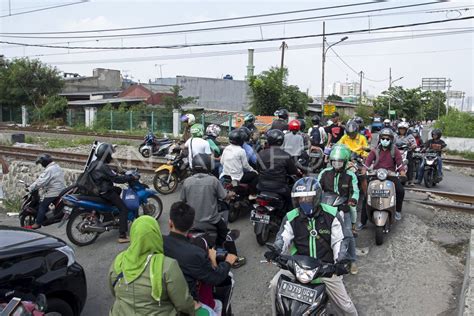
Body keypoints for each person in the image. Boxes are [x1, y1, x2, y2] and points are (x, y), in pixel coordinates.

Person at [267, 177, 358, 316]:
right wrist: (276, 250)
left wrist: (339, 262)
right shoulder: (291, 216)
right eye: (300, 198)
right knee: (274, 285)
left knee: (346, 306)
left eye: (307, 198)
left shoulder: (332, 214)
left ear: (316, 197)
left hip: (325, 267)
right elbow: (283, 237)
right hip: (297, 266)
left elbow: (339, 240)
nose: (304, 201)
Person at [109, 215, 195, 316]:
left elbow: (114, 292)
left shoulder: (118, 262)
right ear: (157, 235)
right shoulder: (167, 266)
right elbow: (183, 304)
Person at [164, 202, 238, 315]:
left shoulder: (161, 242)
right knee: (218, 305)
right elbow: (215, 277)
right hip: (188, 303)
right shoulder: (195, 253)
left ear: (170, 223)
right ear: (192, 224)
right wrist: (228, 262)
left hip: (166, 299)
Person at [318, 144, 359, 275]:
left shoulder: (350, 175)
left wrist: (353, 199)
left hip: (343, 207)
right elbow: (317, 188)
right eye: (334, 161)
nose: (336, 164)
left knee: (347, 234)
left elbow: (355, 191)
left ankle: (352, 260)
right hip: (326, 207)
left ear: (345, 161)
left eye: (340, 161)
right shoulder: (324, 173)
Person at [88, 143, 136, 243]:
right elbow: (116, 179)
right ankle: (122, 235)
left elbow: (107, 173)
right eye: (110, 154)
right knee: (124, 209)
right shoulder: (104, 167)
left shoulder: (94, 163)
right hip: (105, 192)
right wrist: (130, 177)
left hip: (96, 190)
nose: (111, 156)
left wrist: (114, 170)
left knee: (118, 190)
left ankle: (111, 214)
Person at [360, 128, 406, 226]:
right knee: (367, 195)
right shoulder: (375, 150)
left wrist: (402, 172)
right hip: (376, 175)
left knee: (400, 190)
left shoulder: (395, 150)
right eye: (383, 138)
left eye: (388, 138)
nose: (385, 140)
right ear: (380, 138)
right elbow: (368, 162)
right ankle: (363, 221)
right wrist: (364, 170)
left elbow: (399, 163)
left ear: (391, 139)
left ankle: (397, 211)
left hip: (390, 175)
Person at [257, 129, 300, 210]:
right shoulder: (286, 155)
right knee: (292, 202)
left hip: (261, 186)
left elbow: (258, 168)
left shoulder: (260, 153)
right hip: (280, 188)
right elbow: (293, 171)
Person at [26, 154, 66, 230]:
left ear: (44, 163)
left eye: (41, 163)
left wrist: (31, 188)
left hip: (54, 191)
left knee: (42, 205)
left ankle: (37, 224)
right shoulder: (56, 166)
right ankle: (47, 216)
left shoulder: (49, 170)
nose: (41, 165)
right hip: (60, 190)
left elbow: (41, 182)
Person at [220, 129, 258, 196]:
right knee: (255, 175)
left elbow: (222, 162)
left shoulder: (226, 148)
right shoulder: (241, 150)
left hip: (225, 175)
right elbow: (245, 166)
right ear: (241, 141)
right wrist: (253, 170)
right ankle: (252, 194)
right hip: (237, 177)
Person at [396, 121, 417, 185]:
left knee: (410, 162)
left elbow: (414, 143)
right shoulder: (395, 136)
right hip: (396, 152)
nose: (402, 130)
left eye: (403, 129)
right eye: (401, 129)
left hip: (407, 152)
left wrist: (413, 146)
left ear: (406, 130)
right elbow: (391, 142)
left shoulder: (410, 136)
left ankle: (410, 179)